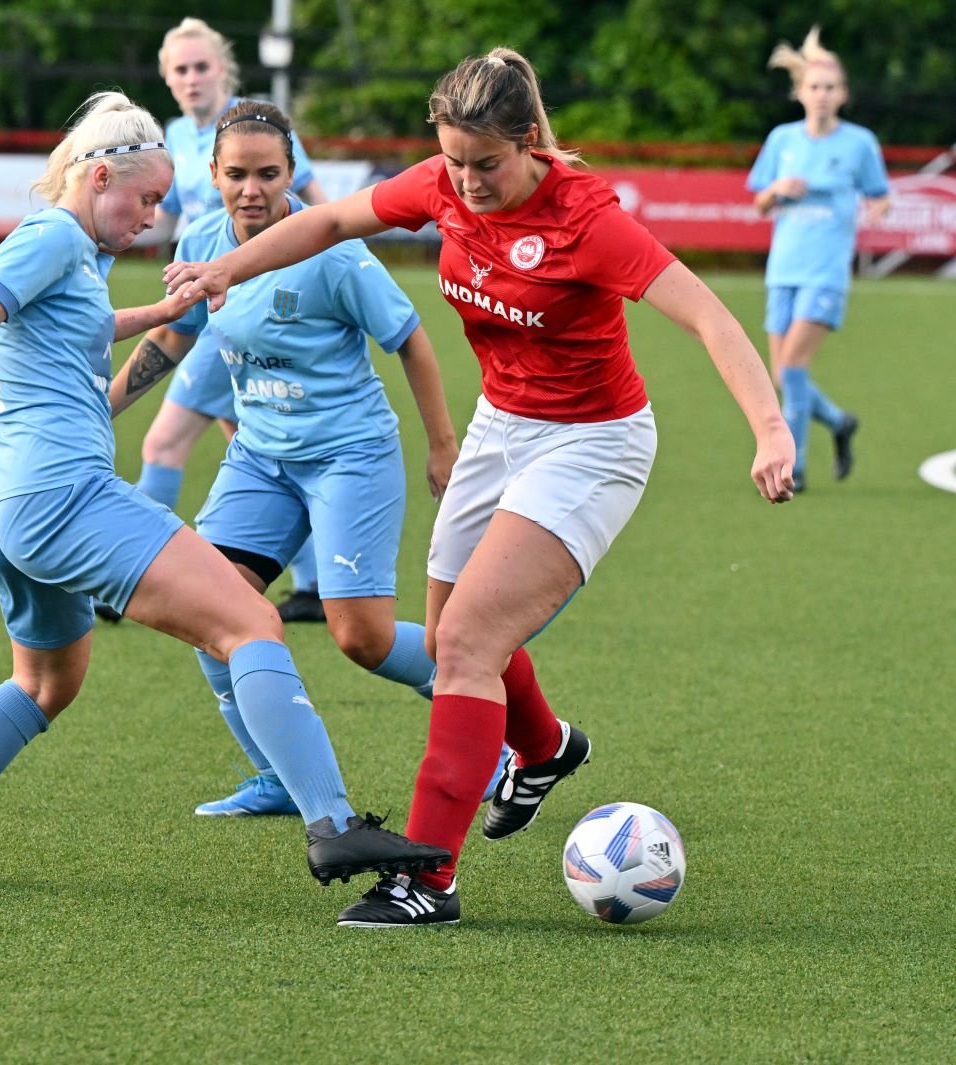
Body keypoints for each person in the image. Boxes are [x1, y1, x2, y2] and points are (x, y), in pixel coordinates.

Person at [166, 48, 795, 927]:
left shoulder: (589, 221)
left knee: (462, 643)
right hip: (501, 427)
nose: (465, 182)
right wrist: (230, 269)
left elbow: (710, 316)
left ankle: (428, 878)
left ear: (530, 140)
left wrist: (770, 429)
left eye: (485, 164)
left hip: (593, 443)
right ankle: (542, 747)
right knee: (457, 630)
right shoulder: (440, 182)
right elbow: (331, 222)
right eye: (453, 161)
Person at [0, 90, 448, 892]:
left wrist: (162, 311)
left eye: (165, 200)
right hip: (63, 497)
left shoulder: (71, 253)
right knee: (250, 621)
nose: (154, 216)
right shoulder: (54, 234)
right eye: (146, 197)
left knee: (46, 683)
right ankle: (332, 826)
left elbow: (73, 324)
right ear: (98, 177)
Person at [113, 99, 499, 818]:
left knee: (364, 638)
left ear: (292, 173)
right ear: (214, 174)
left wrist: (444, 446)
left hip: (349, 456)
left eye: (268, 173)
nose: (251, 189)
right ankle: (278, 778)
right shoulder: (200, 242)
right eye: (237, 174)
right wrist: (101, 407)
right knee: (212, 609)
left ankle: (494, 729)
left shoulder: (335, 252)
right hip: (261, 459)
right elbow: (174, 335)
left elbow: (410, 338)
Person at [108, 17, 327, 623]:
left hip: (238, 314)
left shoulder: (252, 129)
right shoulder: (176, 135)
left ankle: (128, 579)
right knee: (253, 446)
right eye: (180, 69)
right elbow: (167, 209)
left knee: (163, 440)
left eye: (201, 66)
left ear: (222, 70)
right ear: (166, 79)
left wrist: (337, 259)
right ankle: (308, 585)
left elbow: (316, 208)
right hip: (211, 310)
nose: (191, 78)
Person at [747, 25, 890, 493]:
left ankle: (797, 466)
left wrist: (876, 210)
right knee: (781, 374)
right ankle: (839, 421)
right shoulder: (782, 140)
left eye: (830, 87)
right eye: (814, 87)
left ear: (843, 94)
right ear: (799, 92)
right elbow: (759, 203)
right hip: (783, 269)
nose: (822, 95)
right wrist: (776, 191)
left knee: (792, 368)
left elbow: (881, 196)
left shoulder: (859, 143)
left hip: (826, 272)